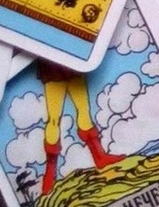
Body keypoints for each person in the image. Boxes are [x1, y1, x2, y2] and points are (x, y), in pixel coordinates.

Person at [38, 61, 123, 196]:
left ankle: (100, 157)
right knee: (54, 119)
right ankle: (50, 173)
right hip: (52, 66)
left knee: (84, 110)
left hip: (72, 62)